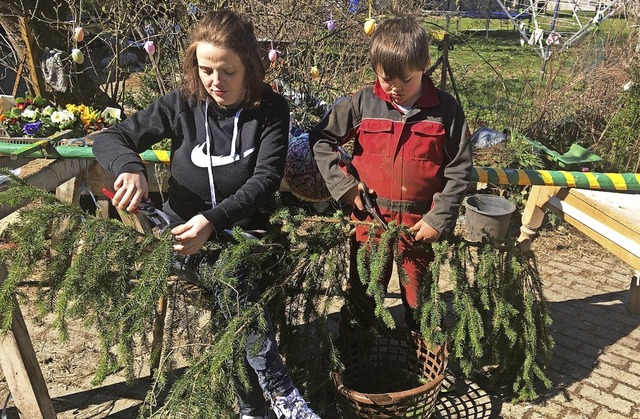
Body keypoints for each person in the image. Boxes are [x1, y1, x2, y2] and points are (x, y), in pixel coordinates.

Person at [92, 10, 320, 419]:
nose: (216, 82)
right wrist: (129, 167)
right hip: (182, 237)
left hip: (248, 236)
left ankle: (253, 408)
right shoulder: (182, 104)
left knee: (235, 282)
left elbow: (265, 179)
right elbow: (110, 137)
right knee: (233, 283)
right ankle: (280, 395)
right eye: (206, 70)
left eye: (228, 71)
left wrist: (214, 220)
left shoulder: (271, 110)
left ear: (250, 65)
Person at [309, 16, 472, 331]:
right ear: (374, 67)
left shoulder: (445, 111)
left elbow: (461, 169)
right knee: (363, 296)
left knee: (419, 300)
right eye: (385, 79)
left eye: (405, 80)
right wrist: (344, 187)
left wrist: (439, 219)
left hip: (420, 228)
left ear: (424, 64)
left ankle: (419, 354)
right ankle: (357, 353)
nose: (395, 88)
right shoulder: (361, 105)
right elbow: (321, 139)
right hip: (370, 224)